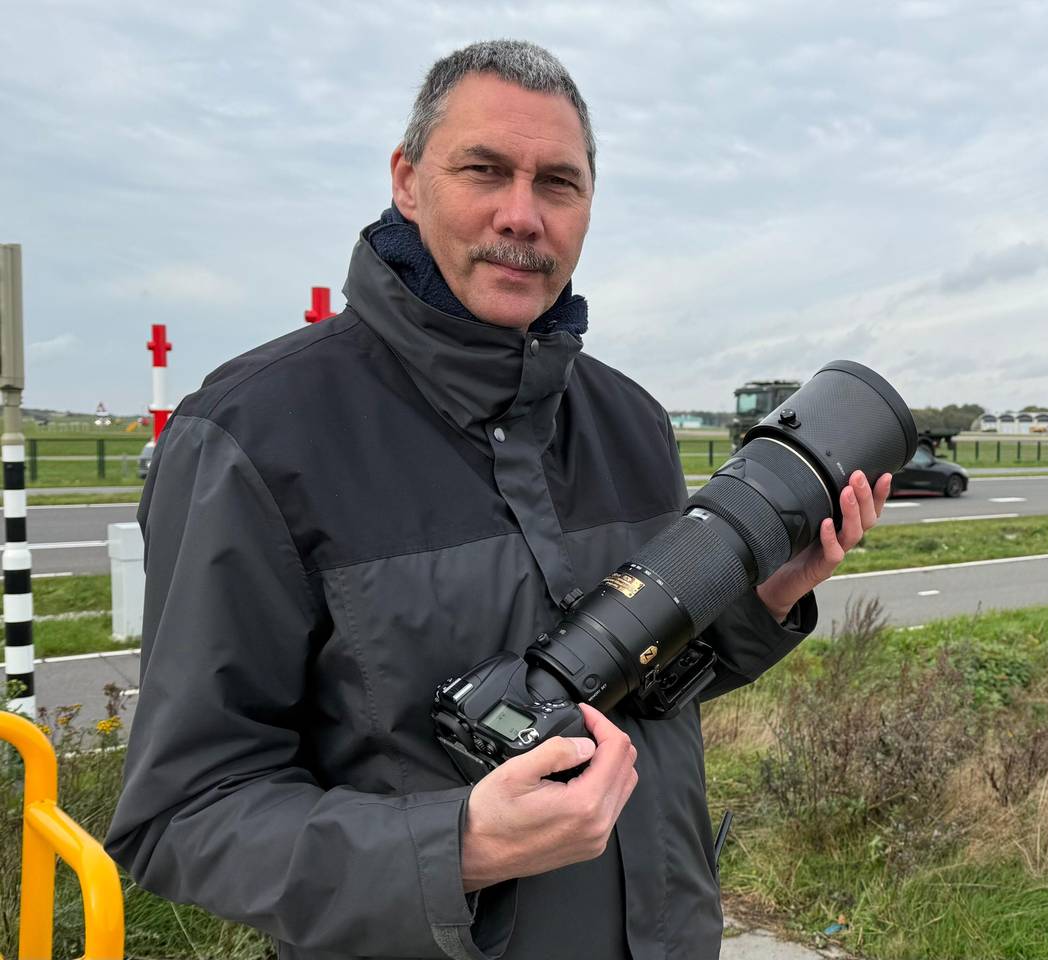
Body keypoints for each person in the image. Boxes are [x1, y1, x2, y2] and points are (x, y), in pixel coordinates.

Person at [105, 40, 891, 960]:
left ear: (590, 207)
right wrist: (455, 850)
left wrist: (759, 602)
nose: (522, 215)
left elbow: (645, 692)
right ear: (406, 180)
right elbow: (183, 814)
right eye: (484, 170)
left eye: (558, 183)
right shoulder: (254, 437)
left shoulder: (630, 419)